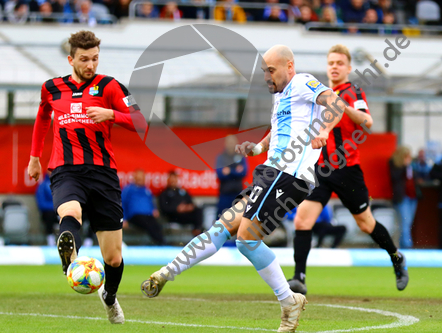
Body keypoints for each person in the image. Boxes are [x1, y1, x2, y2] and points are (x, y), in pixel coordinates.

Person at [141, 44, 349, 332]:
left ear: (289, 66)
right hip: (271, 173)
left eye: (271, 70)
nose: (267, 76)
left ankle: (288, 301)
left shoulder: (302, 82)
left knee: (245, 239)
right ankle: (167, 272)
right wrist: (260, 146)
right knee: (222, 227)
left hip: (288, 174)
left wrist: (324, 131)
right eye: (264, 71)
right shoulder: (281, 98)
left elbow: (336, 102)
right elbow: (278, 129)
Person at [27, 30, 145, 324]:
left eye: (94, 58)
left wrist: (112, 115)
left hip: (103, 174)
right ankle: (71, 254)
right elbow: (42, 118)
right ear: (71, 59)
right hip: (65, 169)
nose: (90, 64)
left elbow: (142, 122)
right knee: (70, 210)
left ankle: (110, 296)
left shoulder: (111, 86)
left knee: (114, 257)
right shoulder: (51, 88)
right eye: (84, 59)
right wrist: (34, 157)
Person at [288, 44, 408, 296]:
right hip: (320, 169)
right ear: (327, 66)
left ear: (348, 68)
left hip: (347, 170)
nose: (334, 67)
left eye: (339, 63)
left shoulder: (353, 91)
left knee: (366, 224)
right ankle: (299, 277)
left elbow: (367, 122)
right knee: (302, 219)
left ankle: (396, 258)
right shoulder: (320, 94)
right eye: (331, 62)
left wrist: (345, 107)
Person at [121, 169, 165, 245]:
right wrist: (123, 219)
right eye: (138, 178)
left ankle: (160, 242)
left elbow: (151, 203)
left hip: (148, 215)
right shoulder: (128, 189)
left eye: (141, 178)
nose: (140, 180)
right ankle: (160, 243)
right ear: (134, 178)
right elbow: (122, 203)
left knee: (157, 225)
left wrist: (154, 210)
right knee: (149, 224)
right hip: (135, 216)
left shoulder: (147, 190)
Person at [389, 146, 417, 249]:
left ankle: (403, 246)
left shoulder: (411, 165)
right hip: (402, 197)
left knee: (408, 223)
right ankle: (407, 246)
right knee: (405, 223)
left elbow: (414, 178)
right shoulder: (394, 163)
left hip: (412, 196)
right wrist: (405, 166)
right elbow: (395, 178)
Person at [158, 171, 203, 235]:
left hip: (185, 215)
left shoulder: (183, 192)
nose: (173, 181)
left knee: (198, 210)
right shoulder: (164, 193)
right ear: (168, 180)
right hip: (174, 216)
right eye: (171, 179)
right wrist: (177, 208)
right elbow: (163, 208)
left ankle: (197, 230)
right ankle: (198, 234)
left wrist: (187, 207)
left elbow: (191, 203)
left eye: (174, 179)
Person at [215, 135, 247, 218]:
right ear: (225, 143)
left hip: (238, 194)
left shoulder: (241, 157)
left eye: (233, 142)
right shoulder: (221, 157)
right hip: (225, 194)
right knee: (221, 219)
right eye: (229, 142)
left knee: (238, 219)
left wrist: (229, 171)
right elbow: (220, 174)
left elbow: (243, 173)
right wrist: (235, 172)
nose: (231, 144)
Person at [35, 171, 59, 246]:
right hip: (50, 213)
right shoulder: (43, 185)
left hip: (62, 212)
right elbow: (41, 203)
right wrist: (56, 207)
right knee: (49, 215)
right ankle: (50, 239)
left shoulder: (63, 185)